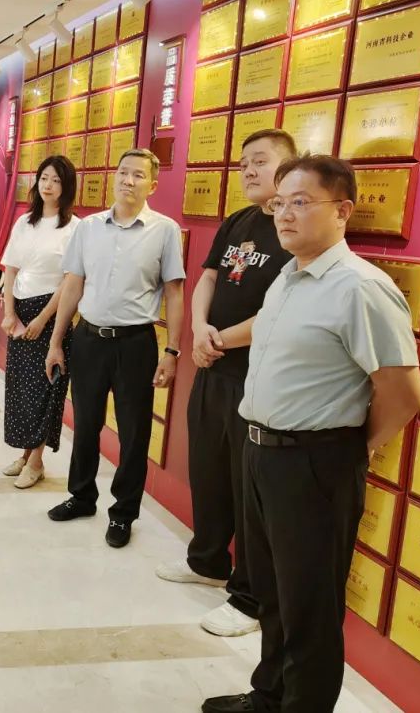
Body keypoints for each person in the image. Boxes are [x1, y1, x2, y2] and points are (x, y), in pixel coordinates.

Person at [202, 155, 420, 713]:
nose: (284, 214)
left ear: (343, 210)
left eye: (301, 202)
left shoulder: (361, 288)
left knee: (310, 606)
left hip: (314, 463)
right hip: (261, 454)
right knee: (273, 593)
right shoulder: (290, 274)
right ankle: (269, 695)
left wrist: (351, 449)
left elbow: (405, 395)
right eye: (280, 203)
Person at [155, 129, 296, 638]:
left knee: (249, 490)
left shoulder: (292, 227)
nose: (249, 171)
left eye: (261, 161)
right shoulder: (238, 221)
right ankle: (208, 559)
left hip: (255, 380)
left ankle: (249, 597)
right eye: (243, 164)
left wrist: (218, 340)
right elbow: (209, 277)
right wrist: (198, 327)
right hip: (212, 367)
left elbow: (285, 305)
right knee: (209, 471)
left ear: (289, 166)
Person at [44, 149, 186, 547]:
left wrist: (172, 351)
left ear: (152, 185)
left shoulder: (165, 231)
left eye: (138, 175)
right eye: (123, 172)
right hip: (89, 339)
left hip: (135, 344)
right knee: (85, 423)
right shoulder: (88, 228)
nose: (128, 180)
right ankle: (81, 496)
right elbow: (73, 285)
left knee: (134, 433)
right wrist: (56, 342)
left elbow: (174, 292)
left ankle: (123, 514)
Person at [0, 155, 79, 488]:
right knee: (22, 390)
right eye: (44, 178)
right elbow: (11, 268)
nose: (48, 185)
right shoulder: (24, 222)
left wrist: (44, 319)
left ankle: (37, 461)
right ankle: (25, 453)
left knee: (47, 390)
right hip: (20, 312)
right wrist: (9, 312)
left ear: (67, 187)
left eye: (56, 180)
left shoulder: (74, 228)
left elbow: (70, 280)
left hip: (52, 315)